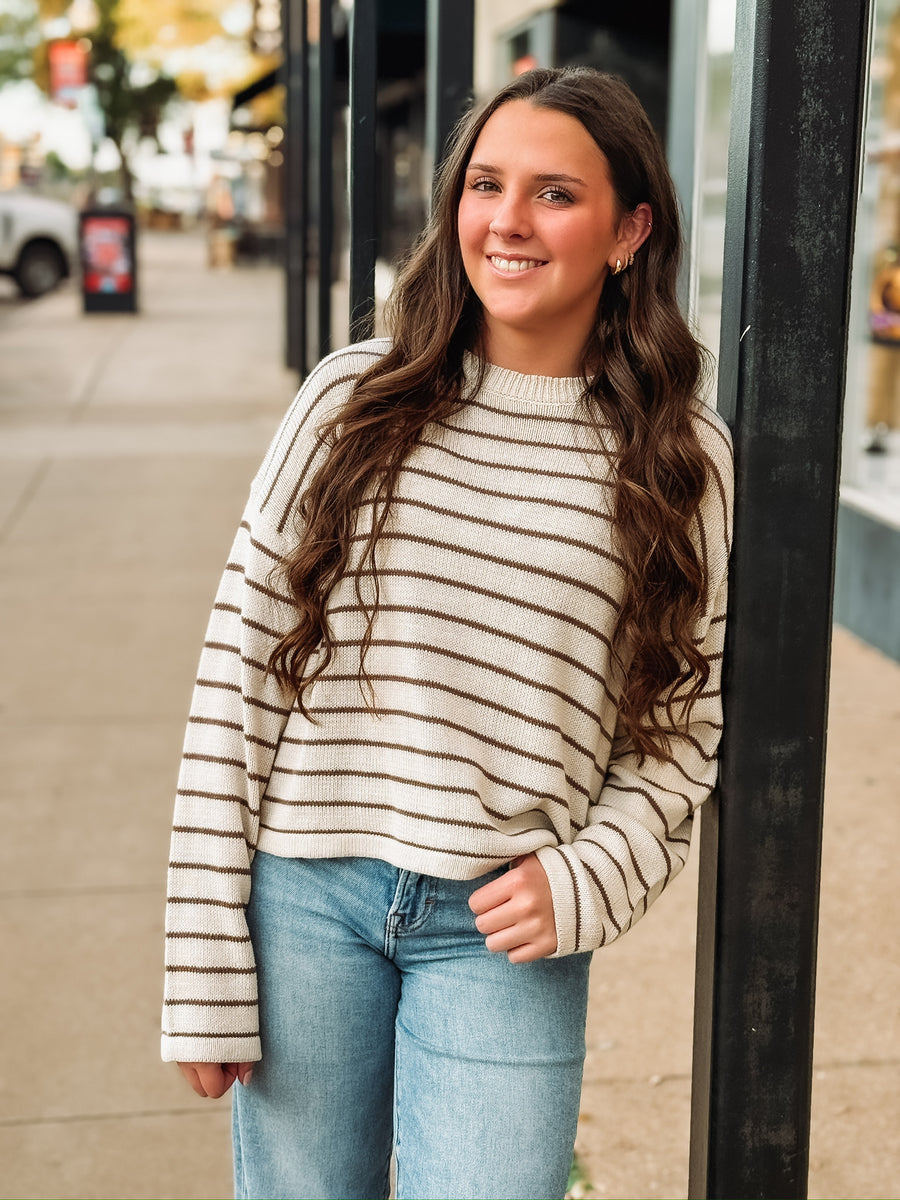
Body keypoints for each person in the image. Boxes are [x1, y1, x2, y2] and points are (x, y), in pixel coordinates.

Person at [162, 66, 733, 1200]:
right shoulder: (350, 403)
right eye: (485, 185)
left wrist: (595, 873)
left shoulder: (679, 459)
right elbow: (238, 678)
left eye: (554, 194)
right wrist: (203, 963)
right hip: (305, 899)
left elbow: (679, 727)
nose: (507, 222)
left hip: (502, 926)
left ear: (630, 230)